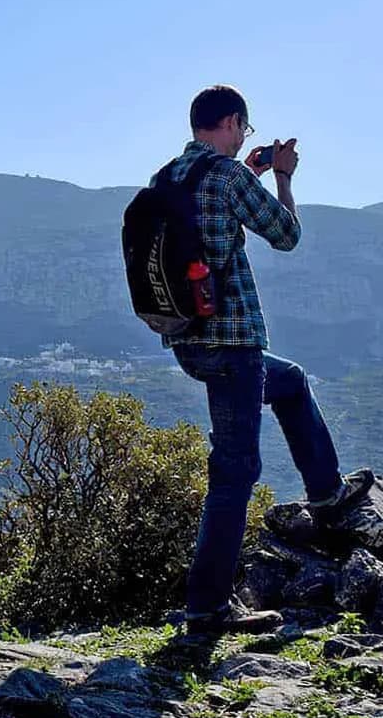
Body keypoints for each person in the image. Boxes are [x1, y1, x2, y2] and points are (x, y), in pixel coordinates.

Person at [159, 84, 383, 634]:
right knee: (235, 474)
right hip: (232, 345)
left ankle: (326, 491)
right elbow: (286, 234)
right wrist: (282, 176)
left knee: (289, 381)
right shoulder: (228, 177)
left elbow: (206, 218)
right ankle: (207, 610)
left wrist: (251, 170)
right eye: (244, 129)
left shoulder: (170, 177)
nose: (244, 140)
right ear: (232, 122)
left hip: (189, 343)